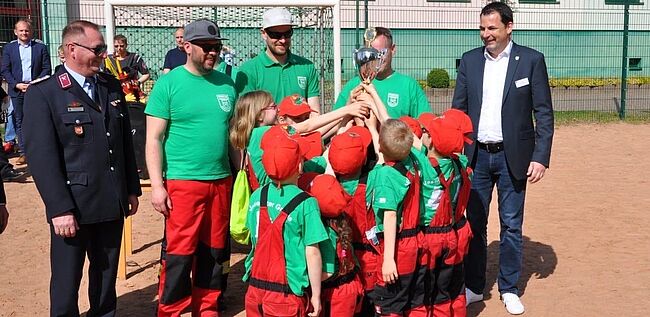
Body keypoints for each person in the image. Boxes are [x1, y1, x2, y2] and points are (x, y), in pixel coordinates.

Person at [22, 20, 141, 316]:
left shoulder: (110, 87)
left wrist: (131, 190)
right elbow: (42, 158)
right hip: (73, 207)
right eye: (98, 49)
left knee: (105, 280)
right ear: (72, 50)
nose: (104, 55)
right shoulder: (45, 93)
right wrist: (59, 208)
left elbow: (124, 141)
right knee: (66, 283)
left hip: (110, 201)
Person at [451, 2, 554, 315]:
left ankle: (509, 288)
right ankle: (473, 286)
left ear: (509, 27)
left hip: (515, 158)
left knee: (511, 225)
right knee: (475, 224)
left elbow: (544, 113)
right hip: (477, 157)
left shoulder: (532, 61)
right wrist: (457, 153)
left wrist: (540, 156)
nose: (486, 34)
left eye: (492, 28)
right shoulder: (469, 61)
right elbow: (459, 111)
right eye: (482, 28)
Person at [145, 18, 237, 316]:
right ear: (186, 46)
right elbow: (154, 140)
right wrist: (158, 187)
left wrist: (239, 176)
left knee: (214, 250)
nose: (213, 52)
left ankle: (207, 308)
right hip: (183, 183)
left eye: (217, 47)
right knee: (180, 253)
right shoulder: (168, 85)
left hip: (221, 181)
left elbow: (233, 138)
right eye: (206, 47)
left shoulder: (227, 83)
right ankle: (171, 309)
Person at [243, 126, 327, 317]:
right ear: (299, 166)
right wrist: (316, 294)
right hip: (286, 294)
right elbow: (312, 252)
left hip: (255, 290)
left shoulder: (257, 196)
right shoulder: (307, 203)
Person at [333, 27, 430, 119]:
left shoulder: (408, 85)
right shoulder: (354, 85)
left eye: (382, 53)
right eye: (372, 53)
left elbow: (426, 124)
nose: (377, 57)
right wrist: (348, 106)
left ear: (393, 49)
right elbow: (335, 124)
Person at [238, 7, 321, 114]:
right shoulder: (249, 70)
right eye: (276, 35)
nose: (282, 40)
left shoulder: (306, 66)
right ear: (264, 34)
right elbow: (247, 117)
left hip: (302, 130)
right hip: (266, 131)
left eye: (287, 34)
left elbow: (314, 111)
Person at [1, 18, 51, 165]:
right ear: (16, 32)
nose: (24, 33)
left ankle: (40, 151)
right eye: (21, 30)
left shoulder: (40, 48)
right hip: (17, 91)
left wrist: (33, 84)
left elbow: (46, 68)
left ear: (31, 32)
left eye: (27, 30)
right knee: (20, 120)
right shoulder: (9, 49)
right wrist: (17, 84)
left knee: (39, 120)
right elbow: (5, 69)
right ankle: (24, 152)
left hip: (36, 89)